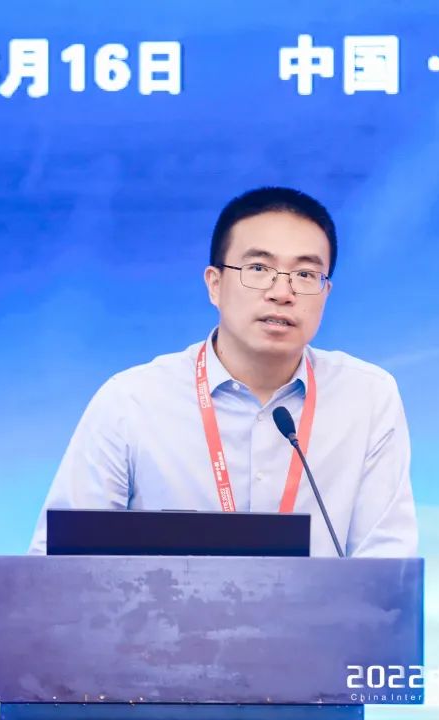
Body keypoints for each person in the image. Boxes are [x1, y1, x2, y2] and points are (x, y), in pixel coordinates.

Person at [28, 187, 417, 557]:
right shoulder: (132, 402)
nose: (282, 292)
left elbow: (386, 564)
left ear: (326, 292)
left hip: (321, 610)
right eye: (259, 268)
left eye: (304, 274)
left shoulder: (367, 397)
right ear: (215, 285)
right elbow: (58, 564)